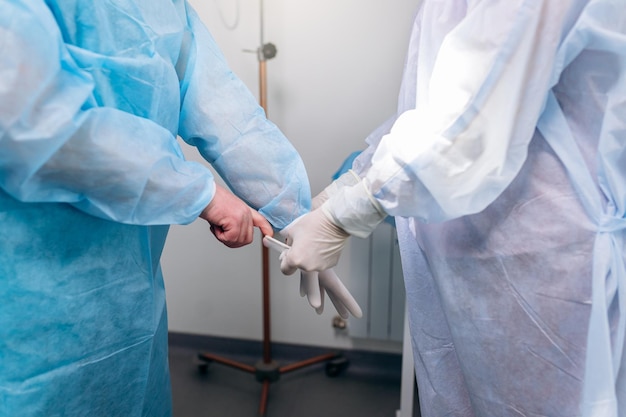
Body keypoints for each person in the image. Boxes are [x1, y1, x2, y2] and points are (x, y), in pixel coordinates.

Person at [280, 1, 626, 416]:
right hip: (477, 262)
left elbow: (476, 107)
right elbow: (435, 100)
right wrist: (352, 183)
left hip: (544, 264)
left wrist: (349, 210)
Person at [0, 1, 311, 416]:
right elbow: (27, 123)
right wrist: (201, 193)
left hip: (130, 288)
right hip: (32, 291)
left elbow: (223, 108)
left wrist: (297, 214)